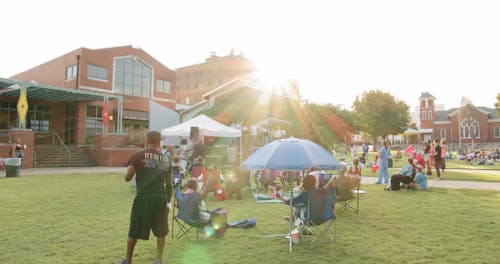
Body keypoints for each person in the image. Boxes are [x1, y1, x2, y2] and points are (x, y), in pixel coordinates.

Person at [119, 131, 172, 264]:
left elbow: (128, 177)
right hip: (160, 199)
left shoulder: (138, 156)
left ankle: (128, 261)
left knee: (134, 231)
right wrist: (168, 203)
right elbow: (169, 185)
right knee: (161, 232)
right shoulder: (166, 159)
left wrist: (125, 174)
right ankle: (159, 259)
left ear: (147, 141)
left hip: (144, 198)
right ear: (159, 142)